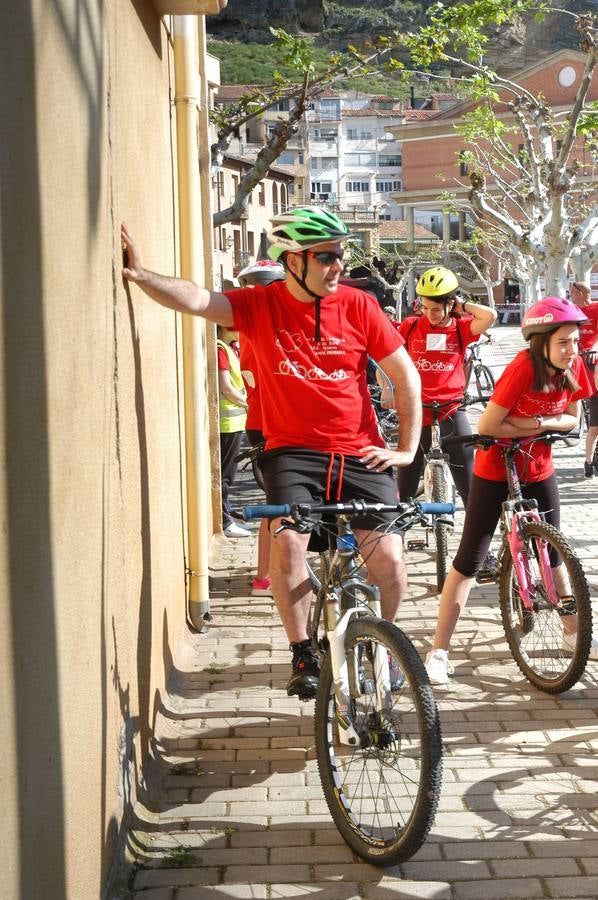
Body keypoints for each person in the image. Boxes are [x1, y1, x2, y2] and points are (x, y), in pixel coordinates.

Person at [121, 206, 421, 700]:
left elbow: (405, 377)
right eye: (325, 256)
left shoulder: (359, 306)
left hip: (359, 450)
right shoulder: (259, 305)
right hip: (291, 452)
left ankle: (383, 642)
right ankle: (303, 649)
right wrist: (141, 275)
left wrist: (406, 449)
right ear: (293, 260)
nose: (338, 266)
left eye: (340, 255)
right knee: (288, 544)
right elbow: (198, 299)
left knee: (388, 561)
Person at [424, 296, 597, 685]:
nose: (572, 349)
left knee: (555, 552)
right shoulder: (522, 367)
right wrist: (542, 424)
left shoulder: (575, 366)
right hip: (495, 471)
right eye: (564, 342)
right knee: (469, 560)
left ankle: (573, 634)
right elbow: (487, 426)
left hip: (539, 467)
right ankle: (439, 651)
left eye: (575, 340)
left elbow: (572, 419)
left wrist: (530, 423)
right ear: (542, 343)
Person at [395, 267, 497, 570]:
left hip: (452, 409)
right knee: (405, 483)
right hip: (417, 411)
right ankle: (394, 548)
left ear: (449, 304)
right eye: (424, 307)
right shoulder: (411, 326)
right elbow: (390, 358)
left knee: (471, 487)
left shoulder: (460, 328)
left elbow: (489, 316)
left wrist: (460, 305)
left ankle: (483, 553)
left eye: (436, 308)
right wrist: (390, 388)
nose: (430, 314)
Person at [236, 258, 287, 594]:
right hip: (276, 425)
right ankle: (267, 574)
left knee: (277, 502)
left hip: (261, 422)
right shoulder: (264, 331)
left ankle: (265, 574)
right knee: (279, 504)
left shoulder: (248, 329)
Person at [217, 325, 251, 538]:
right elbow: (226, 387)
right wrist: (249, 404)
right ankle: (224, 521)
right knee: (225, 475)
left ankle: (226, 514)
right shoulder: (221, 349)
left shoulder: (230, 349)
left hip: (235, 422)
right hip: (226, 424)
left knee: (229, 473)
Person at [570, 281, 598, 478]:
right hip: (576, 357)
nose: (571, 295)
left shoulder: (596, 308)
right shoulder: (570, 310)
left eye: (573, 292)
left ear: (581, 293)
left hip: (593, 357)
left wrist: (595, 348)